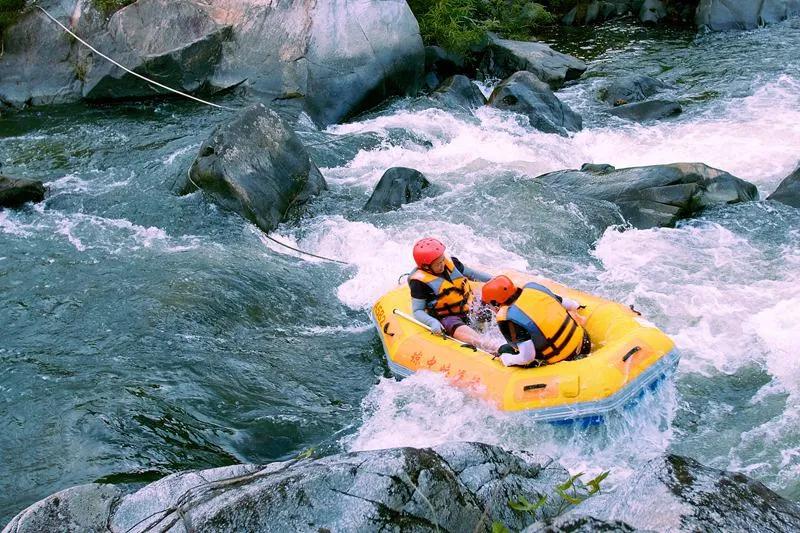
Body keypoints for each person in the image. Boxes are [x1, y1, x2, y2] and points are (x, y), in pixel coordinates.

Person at [408, 237, 500, 352]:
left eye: (442, 260)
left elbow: (471, 273)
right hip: (447, 316)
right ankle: (492, 347)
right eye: (438, 264)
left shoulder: (452, 263)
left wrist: (493, 280)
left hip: (469, 305)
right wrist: (432, 322)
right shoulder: (419, 283)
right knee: (453, 325)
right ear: (426, 267)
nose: (442, 265)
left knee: (490, 303)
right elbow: (417, 311)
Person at [481, 275, 591, 367]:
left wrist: (506, 359)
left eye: (489, 304)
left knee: (504, 349)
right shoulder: (534, 290)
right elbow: (571, 304)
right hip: (584, 343)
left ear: (495, 303)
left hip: (565, 358)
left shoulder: (509, 319)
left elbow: (527, 357)